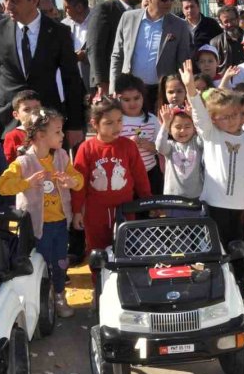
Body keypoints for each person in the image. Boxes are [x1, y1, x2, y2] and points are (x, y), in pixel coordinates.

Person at [0, 0, 85, 145]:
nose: (8, 6)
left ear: (34, 0)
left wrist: (75, 125)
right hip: (6, 124)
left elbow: (71, 80)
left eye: (15, 1)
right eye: (5, 0)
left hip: (47, 125)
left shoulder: (58, 32)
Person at [0, 108, 83, 317]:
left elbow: (78, 180)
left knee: (60, 262)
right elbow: (1, 185)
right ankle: (40, 299)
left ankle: (60, 295)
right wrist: (26, 183)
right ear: (41, 136)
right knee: (38, 264)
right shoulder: (23, 162)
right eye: (58, 132)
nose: (63, 136)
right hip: (34, 227)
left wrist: (72, 182)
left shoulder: (62, 156)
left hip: (60, 223)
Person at [181, 61, 244, 267]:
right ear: (214, 119)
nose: (232, 120)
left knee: (237, 246)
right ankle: (216, 280)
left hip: (240, 205)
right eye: (225, 117)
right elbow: (199, 115)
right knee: (214, 246)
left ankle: (237, 283)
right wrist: (190, 88)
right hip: (214, 203)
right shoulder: (211, 135)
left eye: (235, 115)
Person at [73, 97, 151, 256]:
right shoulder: (86, 148)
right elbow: (78, 183)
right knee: (97, 250)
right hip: (96, 212)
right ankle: (99, 280)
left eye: (119, 121)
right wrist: (77, 211)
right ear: (95, 124)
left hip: (125, 208)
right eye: (109, 123)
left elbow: (140, 176)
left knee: (127, 248)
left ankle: (122, 280)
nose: (117, 127)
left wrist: (148, 200)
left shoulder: (128, 146)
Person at [109, 0, 192, 112]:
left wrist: (184, 93)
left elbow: (183, 63)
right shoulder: (128, 18)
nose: (169, 2)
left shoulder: (179, 25)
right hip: (130, 91)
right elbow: (117, 55)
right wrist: (114, 88)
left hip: (162, 92)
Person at [87, 0, 146, 98]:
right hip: (109, 86)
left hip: (131, 85)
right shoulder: (105, 10)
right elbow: (95, 48)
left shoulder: (137, 14)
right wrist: (102, 82)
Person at [113, 74, 162, 195]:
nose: (132, 103)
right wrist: (128, 145)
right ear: (117, 98)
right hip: (124, 175)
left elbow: (161, 147)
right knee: (129, 211)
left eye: (136, 98)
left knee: (149, 209)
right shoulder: (116, 120)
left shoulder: (152, 120)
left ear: (143, 97)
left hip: (149, 173)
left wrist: (149, 145)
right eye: (127, 100)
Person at [155, 104, 204, 200]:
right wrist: (165, 123)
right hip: (172, 196)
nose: (183, 130)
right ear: (169, 130)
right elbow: (159, 146)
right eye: (178, 127)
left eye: (187, 126)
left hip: (195, 195)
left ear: (194, 128)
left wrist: (195, 119)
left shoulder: (196, 142)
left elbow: (204, 138)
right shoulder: (170, 146)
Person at [60, 0, 92, 94]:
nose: (64, 12)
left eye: (67, 8)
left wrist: (86, 56)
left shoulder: (100, 20)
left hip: (95, 82)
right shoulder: (64, 24)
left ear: (79, 7)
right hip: (73, 83)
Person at [3, 90, 42, 163]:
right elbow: (8, 164)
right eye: (27, 109)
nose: (33, 112)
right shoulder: (12, 136)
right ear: (16, 115)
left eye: (37, 108)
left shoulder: (48, 131)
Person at [209, 5, 244, 70]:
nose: (230, 24)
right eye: (226, 22)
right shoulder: (215, 43)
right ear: (221, 23)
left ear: (238, 19)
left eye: (232, 20)